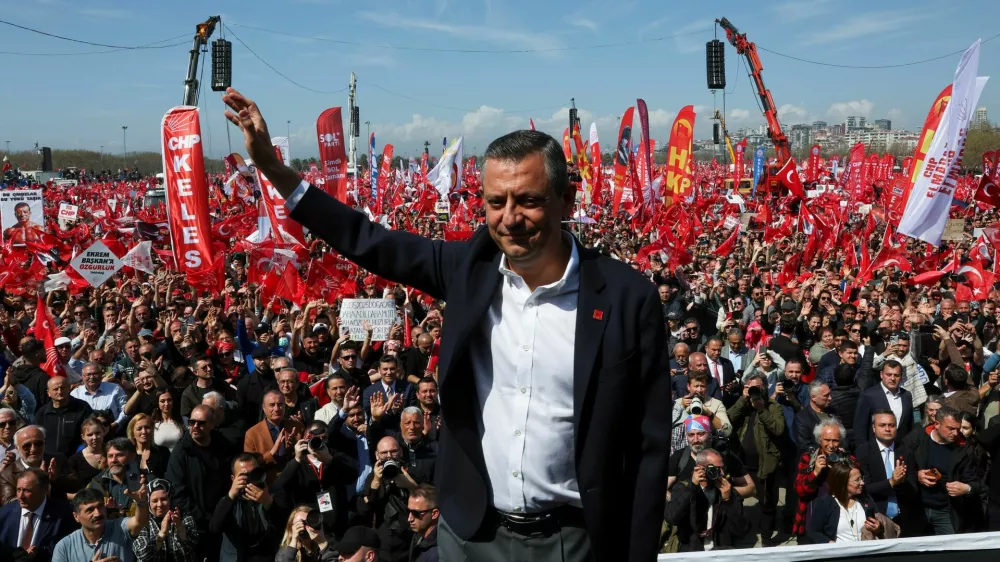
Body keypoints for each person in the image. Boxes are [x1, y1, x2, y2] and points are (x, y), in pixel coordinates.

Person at [225, 91, 670, 561]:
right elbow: (367, 239)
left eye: (529, 200)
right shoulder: (469, 269)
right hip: (472, 534)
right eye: (496, 201)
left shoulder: (626, 297)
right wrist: (274, 169)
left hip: (575, 540)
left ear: (567, 198)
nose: (510, 218)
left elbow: (649, 446)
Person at [164, 404, 238, 560]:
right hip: (196, 526)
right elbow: (177, 491)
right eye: (192, 422)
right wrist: (204, 520)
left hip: (224, 522)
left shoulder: (224, 447)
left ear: (213, 424)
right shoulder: (181, 452)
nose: (195, 426)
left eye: (201, 423)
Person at [899, 406, 981, 535]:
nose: (955, 433)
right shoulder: (916, 439)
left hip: (947, 511)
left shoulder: (965, 449)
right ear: (937, 424)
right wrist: (916, 475)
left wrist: (966, 488)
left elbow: (976, 483)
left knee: (951, 550)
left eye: (957, 429)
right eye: (950, 428)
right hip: (917, 508)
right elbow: (900, 469)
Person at [271, 420, 359, 539]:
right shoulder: (298, 462)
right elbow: (278, 487)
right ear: (305, 438)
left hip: (336, 530)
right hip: (309, 529)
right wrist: (296, 459)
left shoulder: (334, 456)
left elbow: (352, 474)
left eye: (324, 438)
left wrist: (328, 459)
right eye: (315, 438)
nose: (320, 442)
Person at [726, 373, 787, 545]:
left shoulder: (772, 406)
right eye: (750, 387)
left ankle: (766, 538)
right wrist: (742, 400)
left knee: (767, 503)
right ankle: (739, 529)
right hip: (742, 466)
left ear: (765, 388)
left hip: (765, 465)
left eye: (757, 388)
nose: (753, 391)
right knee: (734, 499)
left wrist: (761, 409)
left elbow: (778, 429)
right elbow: (727, 421)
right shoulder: (743, 406)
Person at [663, 448, 751, 551]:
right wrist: (692, 488)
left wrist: (728, 501)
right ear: (700, 469)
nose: (722, 473)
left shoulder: (728, 491)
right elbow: (671, 518)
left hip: (720, 552)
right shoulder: (682, 488)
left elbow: (742, 530)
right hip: (691, 552)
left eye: (723, 468)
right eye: (716, 469)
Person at [209, 453, 284, 562]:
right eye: (244, 475)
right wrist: (231, 495)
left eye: (254, 473)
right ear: (233, 478)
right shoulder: (228, 502)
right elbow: (214, 528)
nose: (250, 478)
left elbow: (284, 527)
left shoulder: (271, 496)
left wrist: (268, 502)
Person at [51, 480, 149, 562]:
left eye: (100, 506)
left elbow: (139, 522)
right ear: (76, 517)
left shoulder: (120, 528)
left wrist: (141, 503)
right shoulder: (64, 546)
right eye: (90, 510)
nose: (98, 513)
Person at [792, 418, 853, 536]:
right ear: (819, 440)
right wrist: (815, 472)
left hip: (839, 514)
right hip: (812, 512)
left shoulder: (847, 459)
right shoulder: (808, 458)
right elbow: (799, 491)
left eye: (835, 441)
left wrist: (843, 466)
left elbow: (857, 485)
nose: (831, 445)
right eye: (827, 440)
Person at [0, 468, 76, 562]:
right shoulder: (4, 514)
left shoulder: (63, 515)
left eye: (27, 491)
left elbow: (67, 549)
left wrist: (39, 554)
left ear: (44, 490)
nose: (20, 496)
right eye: (18, 490)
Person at [805, 461, 890, 543]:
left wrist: (878, 528)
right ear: (843, 483)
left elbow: (878, 524)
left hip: (866, 554)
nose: (862, 483)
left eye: (862, 478)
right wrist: (830, 544)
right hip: (839, 555)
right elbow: (814, 533)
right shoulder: (824, 503)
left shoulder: (865, 499)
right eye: (857, 480)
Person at [854, 410, 908, 532]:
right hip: (877, 517)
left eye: (891, 425)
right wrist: (891, 482)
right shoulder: (864, 452)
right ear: (873, 428)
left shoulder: (906, 450)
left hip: (905, 517)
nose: (887, 429)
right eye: (882, 425)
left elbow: (912, 485)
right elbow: (864, 488)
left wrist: (902, 481)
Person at [131, 478, 201, 562]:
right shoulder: (142, 523)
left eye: (164, 499)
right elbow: (143, 555)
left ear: (170, 499)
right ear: (148, 502)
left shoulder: (184, 518)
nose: (159, 504)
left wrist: (179, 526)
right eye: (154, 501)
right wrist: (162, 533)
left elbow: (192, 544)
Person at [245, 390, 305, 484]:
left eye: (280, 404)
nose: (277, 409)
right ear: (264, 408)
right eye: (272, 405)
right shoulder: (252, 434)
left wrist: (292, 448)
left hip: (296, 481)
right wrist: (271, 453)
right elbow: (250, 466)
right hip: (269, 484)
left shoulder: (296, 427)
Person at [1, 426, 69, 505]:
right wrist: (40, 483)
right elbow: (8, 503)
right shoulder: (7, 475)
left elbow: (75, 488)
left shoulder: (58, 460)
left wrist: (55, 481)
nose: (33, 449)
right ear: (17, 448)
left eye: (38, 444)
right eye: (26, 446)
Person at [854, 360, 914, 448]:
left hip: (901, 450)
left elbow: (909, 425)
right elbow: (860, 427)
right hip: (875, 451)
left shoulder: (906, 395)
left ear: (901, 376)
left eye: (896, 375)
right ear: (881, 374)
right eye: (889, 374)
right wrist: (863, 450)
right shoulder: (869, 395)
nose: (893, 378)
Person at [34, 377, 92, 458]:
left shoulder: (83, 408)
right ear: (48, 393)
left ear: (69, 388)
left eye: (62, 388)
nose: (59, 391)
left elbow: (90, 433)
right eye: (55, 389)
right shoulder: (42, 413)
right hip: (49, 460)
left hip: (76, 460)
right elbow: (36, 437)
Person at [69, 363, 127, 435]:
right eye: (88, 374)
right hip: (86, 436)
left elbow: (125, 410)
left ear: (101, 375)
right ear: (83, 376)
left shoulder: (115, 389)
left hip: (112, 433)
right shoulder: (75, 394)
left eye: (95, 374)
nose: (92, 377)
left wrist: (116, 424)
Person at [65, 416, 106, 495]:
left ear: (103, 432)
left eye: (98, 433)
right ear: (83, 437)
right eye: (90, 435)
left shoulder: (112, 454)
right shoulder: (74, 460)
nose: (94, 437)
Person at [792, 381, 835, 452]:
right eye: (826, 395)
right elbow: (804, 445)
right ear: (813, 397)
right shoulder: (801, 418)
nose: (830, 398)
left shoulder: (833, 412)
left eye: (829, 394)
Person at [128, 414, 170, 479]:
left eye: (147, 427)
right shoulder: (128, 455)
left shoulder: (162, 452)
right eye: (139, 429)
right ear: (132, 433)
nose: (144, 431)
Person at [406, 484, 439, 562]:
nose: (409, 519)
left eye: (415, 513)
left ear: (434, 514)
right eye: (408, 511)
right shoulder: (417, 538)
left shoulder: (438, 553)